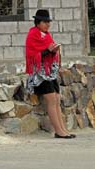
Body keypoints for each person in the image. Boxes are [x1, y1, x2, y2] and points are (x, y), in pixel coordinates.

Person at [25, 9, 76, 139]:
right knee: (52, 100)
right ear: (38, 22)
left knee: (57, 99)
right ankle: (59, 131)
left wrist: (53, 51)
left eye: (48, 22)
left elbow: (48, 52)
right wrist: (48, 51)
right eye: (45, 22)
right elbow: (32, 56)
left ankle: (63, 129)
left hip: (49, 72)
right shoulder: (33, 35)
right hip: (40, 74)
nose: (48, 24)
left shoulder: (46, 35)